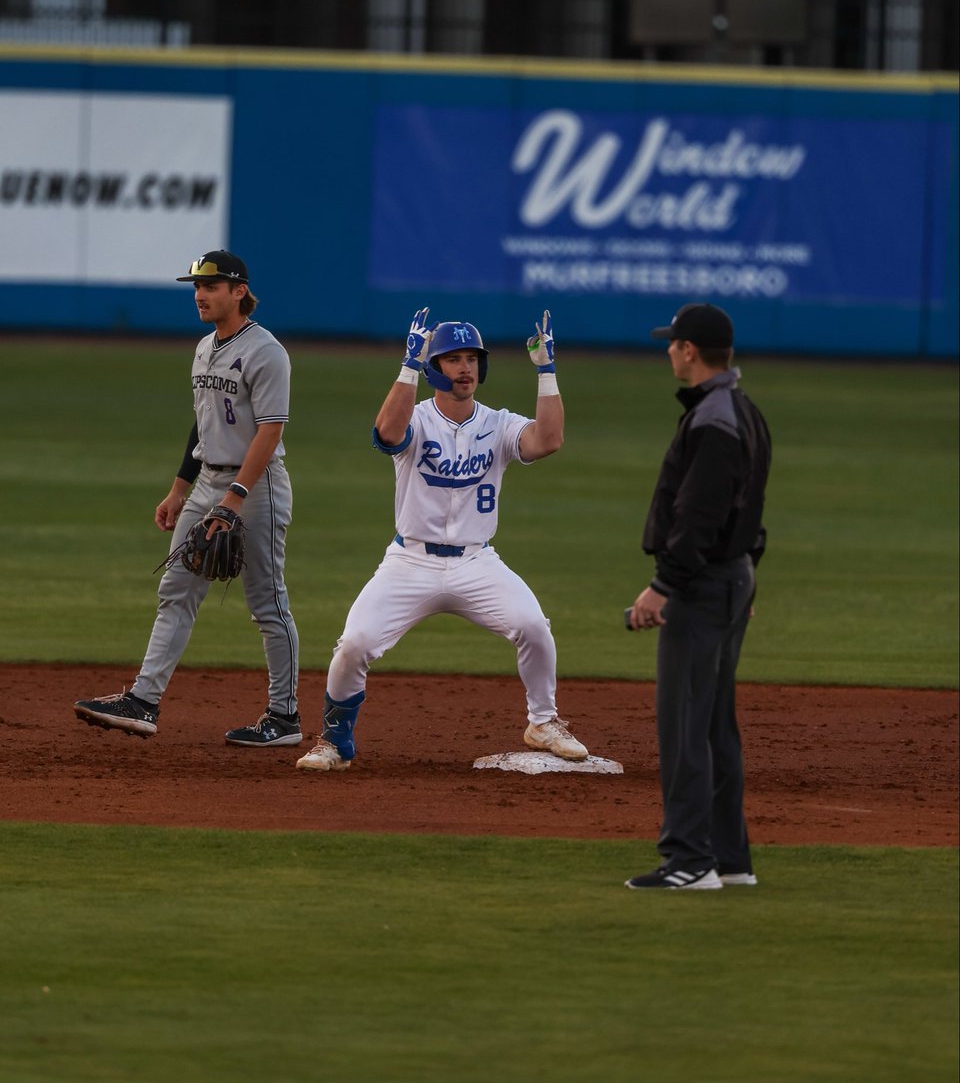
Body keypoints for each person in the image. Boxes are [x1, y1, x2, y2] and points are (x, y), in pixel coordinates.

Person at [295, 308, 588, 773]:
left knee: (533, 626)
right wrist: (407, 364)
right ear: (434, 367)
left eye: (472, 358)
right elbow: (388, 433)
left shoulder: (499, 424)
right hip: (410, 562)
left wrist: (547, 372)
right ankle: (335, 740)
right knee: (354, 644)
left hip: (477, 563)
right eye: (452, 358)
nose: (465, 367)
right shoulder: (415, 420)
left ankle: (544, 722)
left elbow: (548, 440)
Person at [74, 250, 301, 747]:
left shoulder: (267, 351)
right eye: (197, 286)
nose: (200, 294)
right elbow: (203, 422)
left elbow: (270, 431)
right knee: (176, 590)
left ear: (239, 291)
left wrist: (235, 498)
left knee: (267, 602)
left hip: (255, 487)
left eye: (212, 286)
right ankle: (144, 700)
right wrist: (180, 490)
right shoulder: (203, 347)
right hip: (206, 485)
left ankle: (284, 718)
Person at [624, 303, 771, 890]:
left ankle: (689, 859)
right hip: (729, 578)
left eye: (672, 344)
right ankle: (731, 861)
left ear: (689, 350)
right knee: (713, 725)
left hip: (704, 582)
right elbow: (750, 506)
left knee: (685, 725)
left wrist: (664, 586)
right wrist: (745, 574)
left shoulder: (714, 418)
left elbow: (700, 514)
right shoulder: (744, 410)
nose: (667, 351)